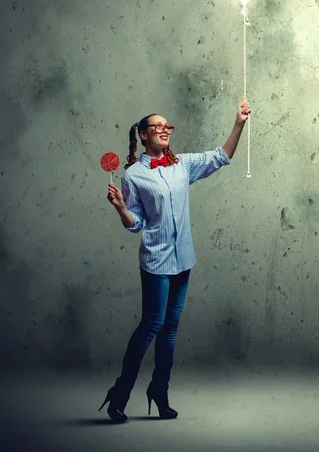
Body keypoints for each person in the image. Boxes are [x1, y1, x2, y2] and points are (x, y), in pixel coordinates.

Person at [99, 97, 251, 422]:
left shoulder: (181, 164)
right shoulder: (134, 176)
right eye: (156, 126)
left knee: (170, 329)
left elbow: (221, 155)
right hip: (156, 262)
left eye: (166, 126)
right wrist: (121, 208)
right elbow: (135, 224)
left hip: (184, 260)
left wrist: (238, 123)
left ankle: (159, 390)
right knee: (151, 325)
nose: (164, 130)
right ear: (142, 135)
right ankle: (120, 393)